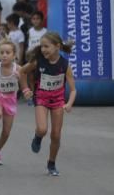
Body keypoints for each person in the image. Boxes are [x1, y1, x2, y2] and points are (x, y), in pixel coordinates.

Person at [21, 32, 76, 176]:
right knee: (42, 129)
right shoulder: (38, 61)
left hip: (58, 101)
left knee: (56, 135)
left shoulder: (65, 64)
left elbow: (73, 90)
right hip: (41, 98)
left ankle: (51, 164)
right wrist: (25, 88)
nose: (43, 49)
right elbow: (22, 72)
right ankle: (37, 137)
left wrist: (69, 103)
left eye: (47, 46)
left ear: (57, 46)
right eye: (42, 46)